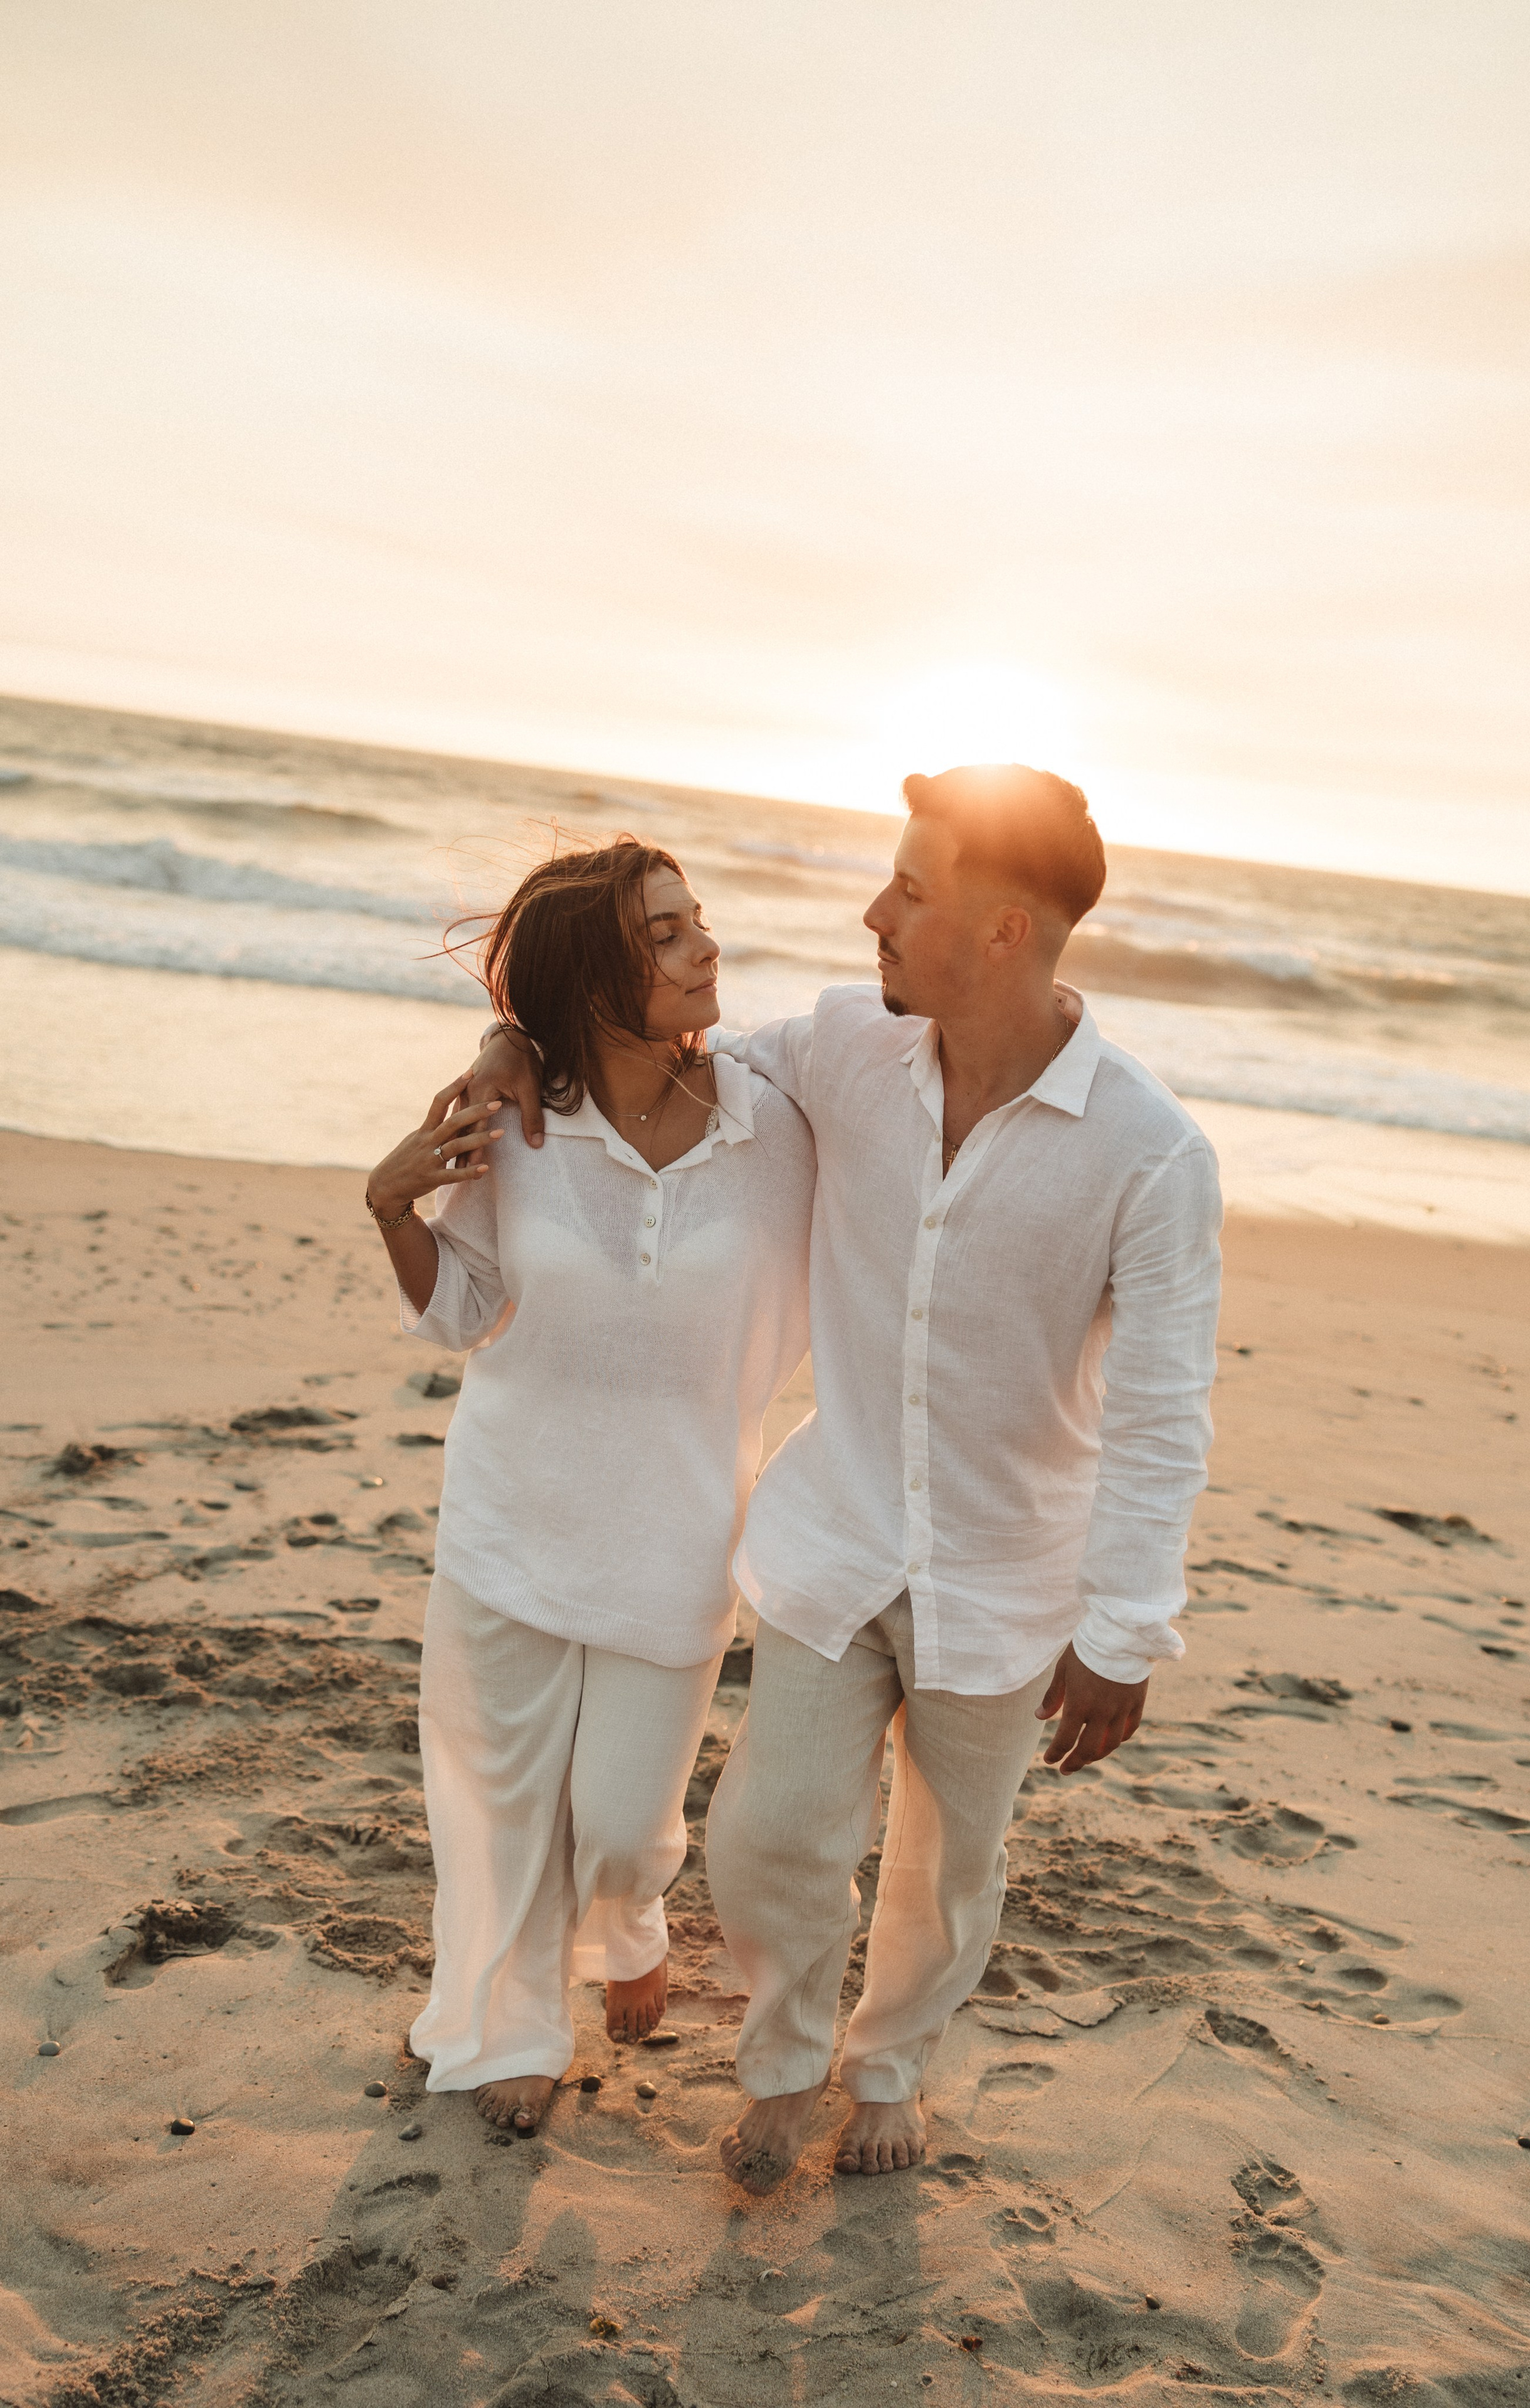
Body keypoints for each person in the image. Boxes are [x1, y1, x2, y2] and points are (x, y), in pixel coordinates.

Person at [463, 764, 1221, 2183]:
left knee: (950, 1866)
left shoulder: (1149, 1155)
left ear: (1004, 929)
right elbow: (653, 1044)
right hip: (836, 1541)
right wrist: (516, 1041)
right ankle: (782, 2065)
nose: (873, 913)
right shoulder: (839, 1050)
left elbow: (1163, 1414)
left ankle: (885, 2072)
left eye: (910, 892)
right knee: (766, 1839)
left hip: (1007, 1576)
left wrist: (1125, 1632)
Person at [363, 837, 813, 2133]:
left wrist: (504, 1036)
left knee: (619, 1827)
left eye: (694, 920)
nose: (703, 947)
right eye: (662, 936)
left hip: (678, 1536)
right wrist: (392, 1210)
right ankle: (511, 2029)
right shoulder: (518, 1125)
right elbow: (465, 1309)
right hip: (511, 1516)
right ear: (590, 978)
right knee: (497, 1808)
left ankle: (627, 1924)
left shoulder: (777, 1119)